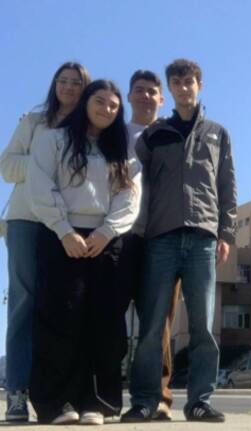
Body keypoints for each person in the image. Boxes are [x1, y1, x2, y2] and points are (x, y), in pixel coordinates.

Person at [121, 58, 236, 423]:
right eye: (176, 82)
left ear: (199, 85)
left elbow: (227, 186)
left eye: (189, 81)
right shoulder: (157, 134)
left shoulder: (218, 133)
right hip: (162, 238)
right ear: (169, 90)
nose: (183, 88)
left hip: (203, 239)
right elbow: (132, 181)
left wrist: (226, 232)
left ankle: (199, 400)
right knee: (154, 325)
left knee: (203, 326)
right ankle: (143, 399)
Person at [26, 79, 141, 425]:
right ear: (86, 102)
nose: (106, 109)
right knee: (61, 318)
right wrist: (64, 231)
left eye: (113, 106)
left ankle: (99, 402)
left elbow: (130, 197)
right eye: (100, 101)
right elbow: (40, 185)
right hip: (60, 237)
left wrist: (106, 232)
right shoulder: (53, 140)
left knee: (104, 324)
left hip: (107, 241)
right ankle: (56, 403)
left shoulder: (122, 152)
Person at [0, 61, 90, 422]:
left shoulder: (87, 129)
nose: (68, 88)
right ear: (54, 85)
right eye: (63, 81)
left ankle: (53, 395)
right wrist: (43, 167)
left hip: (66, 225)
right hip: (25, 220)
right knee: (23, 302)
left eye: (76, 83)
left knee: (57, 309)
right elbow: (7, 167)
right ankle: (18, 393)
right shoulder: (33, 122)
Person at [122, 69, 179, 421]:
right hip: (117, 239)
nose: (145, 96)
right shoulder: (113, 133)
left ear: (162, 99)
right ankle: (99, 395)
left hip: (162, 239)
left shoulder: (172, 136)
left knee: (159, 323)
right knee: (106, 318)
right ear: (129, 96)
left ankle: (159, 397)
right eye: (139, 90)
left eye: (152, 91)